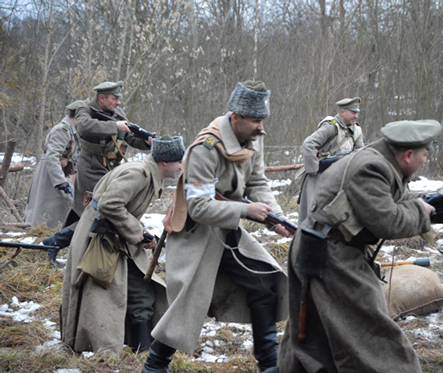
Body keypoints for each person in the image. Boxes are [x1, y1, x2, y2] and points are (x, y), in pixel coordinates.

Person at [277, 120, 443, 372]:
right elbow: (388, 221)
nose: (426, 160)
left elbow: (393, 203)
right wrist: (422, 210)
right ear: (408, 155)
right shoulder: (371, 168)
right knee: (374, 335)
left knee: (312, 335)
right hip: (331, 254)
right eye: (425, 154)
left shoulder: (380, 161)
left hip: (324, 247)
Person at [143, 81, 290, 373]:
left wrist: (277, 217)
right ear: (235, 117)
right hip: (195, 236)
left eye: (262, 120)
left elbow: (257, 182)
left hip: (227, 233)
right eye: (255, 121)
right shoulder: (206, 148)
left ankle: (271, 365)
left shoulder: (252, 141)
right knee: (186, 308)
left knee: (266, 283)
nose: (261, 128)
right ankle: (154, 367)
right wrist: (247, 210)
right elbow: (198, 207)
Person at [60, 135, 185, 356]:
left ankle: (144, 352)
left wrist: (142, 232)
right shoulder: (139, 173)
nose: (180, 167)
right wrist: (138, 233)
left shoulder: (145, 173)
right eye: (178, 162)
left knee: (141, 290)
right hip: (100, 238)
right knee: (101, 295)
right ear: (165, 162)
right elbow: (110, 204)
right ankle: (103, 348)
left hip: (116, 235)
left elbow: (123, 207)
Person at [43, 81, 152, 264]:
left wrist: (146, 142)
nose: (118, 103)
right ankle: (57, 242)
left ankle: (57, 243)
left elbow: (129, 136)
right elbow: (85, 126)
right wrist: (115, 126)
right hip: (91, 170)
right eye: (114, 98)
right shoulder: (84, 110)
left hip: (110, 170)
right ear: (102, 98)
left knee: (88, 212)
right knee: (101, 211)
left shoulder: (118, 114)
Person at [298, 97, 364, 223]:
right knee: (312, 216)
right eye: (353, 112)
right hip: (320, 176)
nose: (356, 116)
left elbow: (359, 153)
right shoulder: (331, 127)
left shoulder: (357, 131)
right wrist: (313, 170)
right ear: (342, 112)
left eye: (357, 112)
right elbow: (309, 145)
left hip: (341, 177)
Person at [24, 100, 83, 229]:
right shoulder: (62, 130)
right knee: (43, 208)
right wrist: (61, 182)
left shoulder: (73, 131)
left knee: (61, 209)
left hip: (60, 172)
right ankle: (38, 234)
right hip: (50, 174)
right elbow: (52, 156)